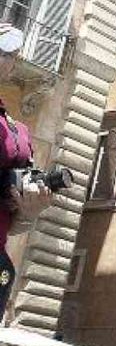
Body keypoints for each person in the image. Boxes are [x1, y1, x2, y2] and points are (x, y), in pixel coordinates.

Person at [0, 95, 56, 315]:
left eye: (9, 56)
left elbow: (10, 223)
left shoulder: (17, 130)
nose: (7, 60)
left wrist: (28, 214)